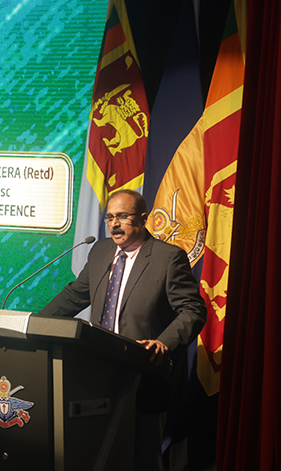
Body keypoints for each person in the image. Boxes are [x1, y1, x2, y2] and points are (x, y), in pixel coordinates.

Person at [38, 189, 206, 471]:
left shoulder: (168, 258)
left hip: (144, 374)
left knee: (142, 457)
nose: (114, 224)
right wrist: (36, 324)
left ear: (143, 218)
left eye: (122, 217)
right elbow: (74, 296)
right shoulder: (101, 251)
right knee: (99, 453)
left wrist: (163, 342)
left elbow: (193, 310)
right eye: (110, 217)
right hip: (97, 372)